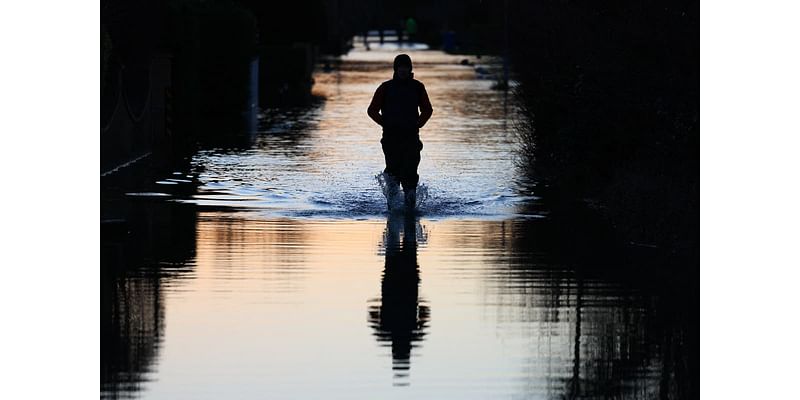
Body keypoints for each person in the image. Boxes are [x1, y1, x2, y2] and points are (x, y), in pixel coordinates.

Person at [367, 54, 433, 208]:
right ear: (395, 69)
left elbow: (427, 110)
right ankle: (392, 208)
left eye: (406, 67)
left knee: (410, 173)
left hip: (411, 138)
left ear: (410, 69)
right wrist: (385, 123)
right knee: (393, 173)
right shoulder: (385, 87)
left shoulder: (418, 87)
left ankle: (410, 209)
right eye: (400, 67)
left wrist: (418, 124)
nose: (403, 70)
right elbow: (372, 111)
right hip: (390, 138)